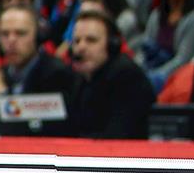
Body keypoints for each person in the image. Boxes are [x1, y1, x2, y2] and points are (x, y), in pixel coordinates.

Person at [0, 4, 80, 135]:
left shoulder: (56, 74)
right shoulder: (1, 72)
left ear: (37, 36)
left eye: (20, 33)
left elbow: (35, 131)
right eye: (4, 34)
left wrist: (1, 93)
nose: (11, 40)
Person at [66, 8, 156, 138]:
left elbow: (117, 137)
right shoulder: (80, 78)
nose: (81, 48)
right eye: (77, 41)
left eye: (91, 40)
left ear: (112, 44)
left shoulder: (127, 77)